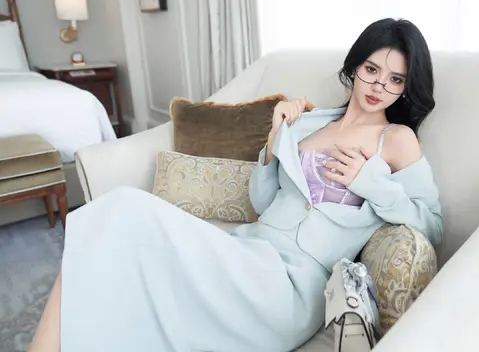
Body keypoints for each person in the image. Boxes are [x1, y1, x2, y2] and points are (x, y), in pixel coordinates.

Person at [29, 18, 443, 352]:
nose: (379, 87)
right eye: (372, 70)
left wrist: (368, 181)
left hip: (291, 287)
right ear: (354, 68)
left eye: (396, 80)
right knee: (113, 223)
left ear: (406, 88)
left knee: (124, 208)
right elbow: (261, 202)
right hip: (247, 251)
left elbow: (433, 223)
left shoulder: (397, 140)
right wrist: (274, 140)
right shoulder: (310, 121)